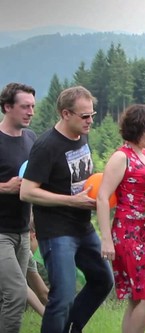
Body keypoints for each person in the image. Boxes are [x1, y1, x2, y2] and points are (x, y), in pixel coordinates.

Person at [20, 86, 114, 333]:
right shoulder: (46, 146)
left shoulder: (82, 134)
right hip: (56, 231)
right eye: (85, 116)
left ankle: (72, 328)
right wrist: (72, 201)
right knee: (62, 298)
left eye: (92, 115)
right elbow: (27, 191)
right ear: (65, 114)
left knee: (103, 280)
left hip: (82, 227)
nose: (90, 121)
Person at [96, 104, 145, 333]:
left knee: (138, 296)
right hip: (128, 232)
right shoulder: (120, 157)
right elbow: (103, 197)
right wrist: (106, 239)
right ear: (134, 129)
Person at [0, 82, 36, 332]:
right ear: (7, 107)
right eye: (25, 107)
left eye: (33, 106)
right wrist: (4, 187)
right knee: (14, 294)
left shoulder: (31, 139)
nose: (31, 112)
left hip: (22, 231)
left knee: (13, 297)